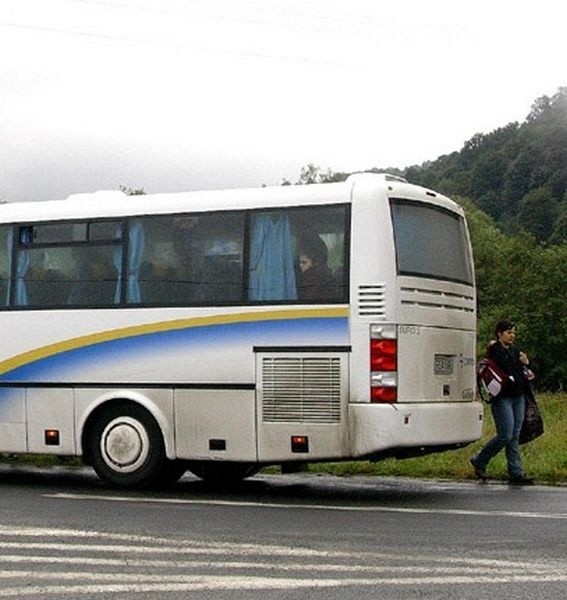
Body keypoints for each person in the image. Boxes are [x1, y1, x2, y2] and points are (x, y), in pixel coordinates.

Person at [470, 319, 535, 485]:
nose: (512, 336)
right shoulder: (495, 350)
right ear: (500, 333)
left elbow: (523, 370)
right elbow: (500, 363)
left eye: (514, 333)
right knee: (505, 434)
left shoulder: (516, 350)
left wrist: (526, 363)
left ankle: (516, 472)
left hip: (518, 395)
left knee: (514, 435)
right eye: (509, 332)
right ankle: (480, 458)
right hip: (502, 397)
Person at [296, 236, 334, 300]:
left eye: (304, 262)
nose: (300, 265)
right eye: (299, 262)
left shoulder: (311, 278)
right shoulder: (327, 274)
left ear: (316, 263)